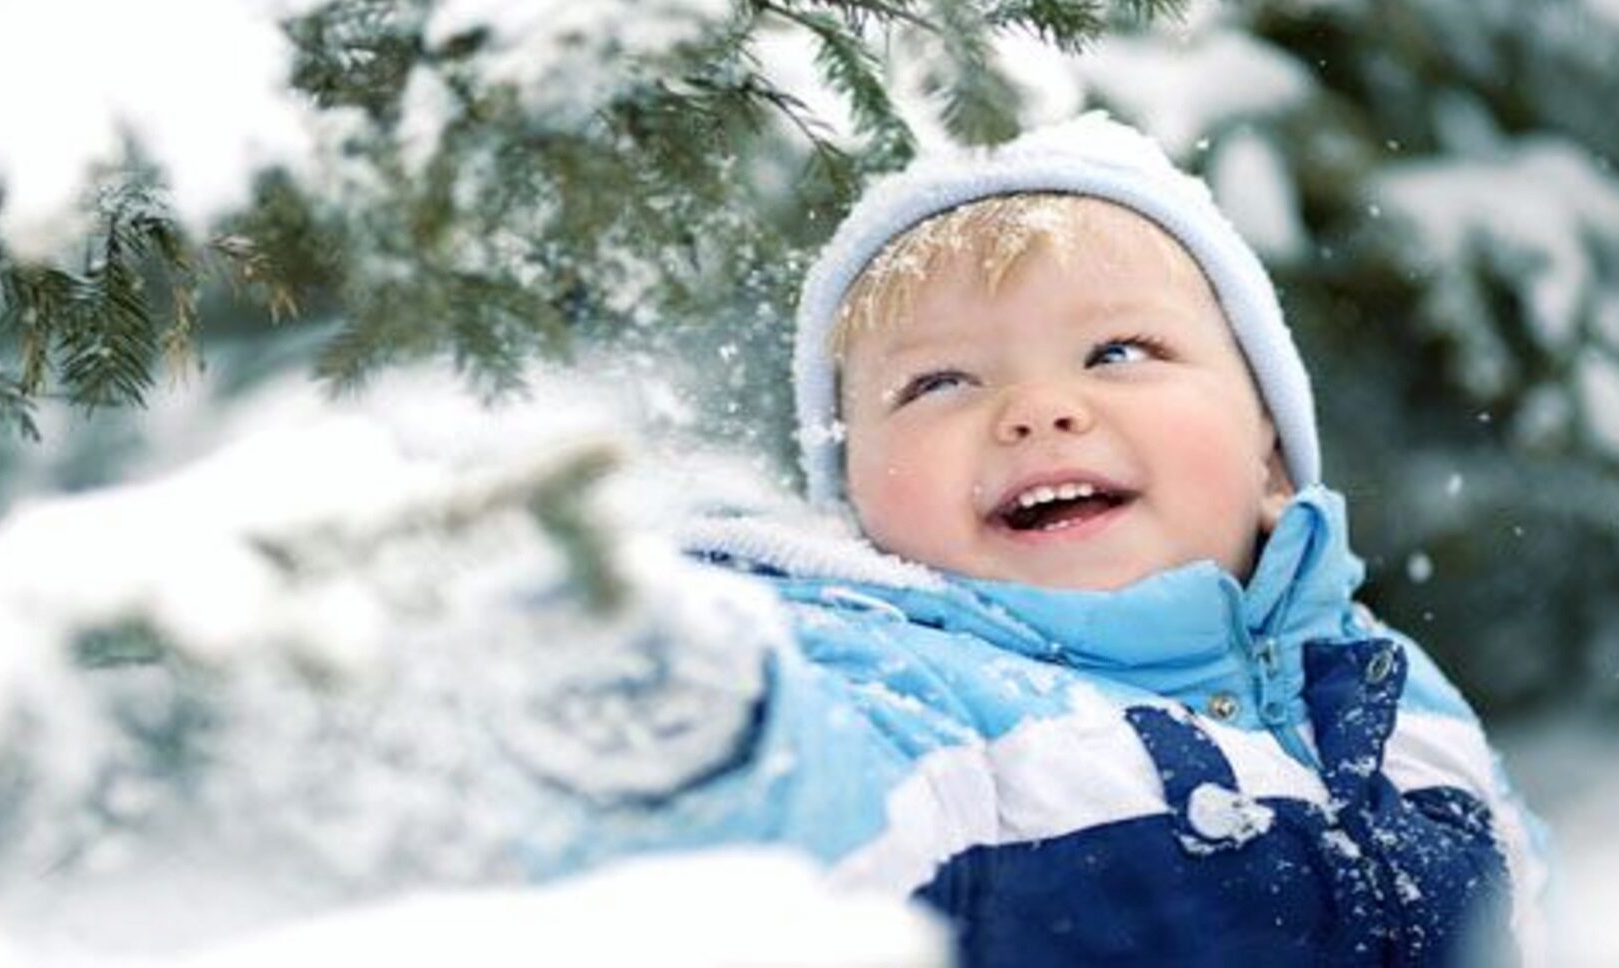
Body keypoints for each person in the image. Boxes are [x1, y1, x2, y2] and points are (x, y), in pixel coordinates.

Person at [597, 113, 1546, 966]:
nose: (1038, 410)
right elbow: (768, 815)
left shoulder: (1392, 691)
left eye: (1117, 354)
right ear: (851, 503)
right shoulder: (905, 703)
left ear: (1271, 461)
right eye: (939, 383)